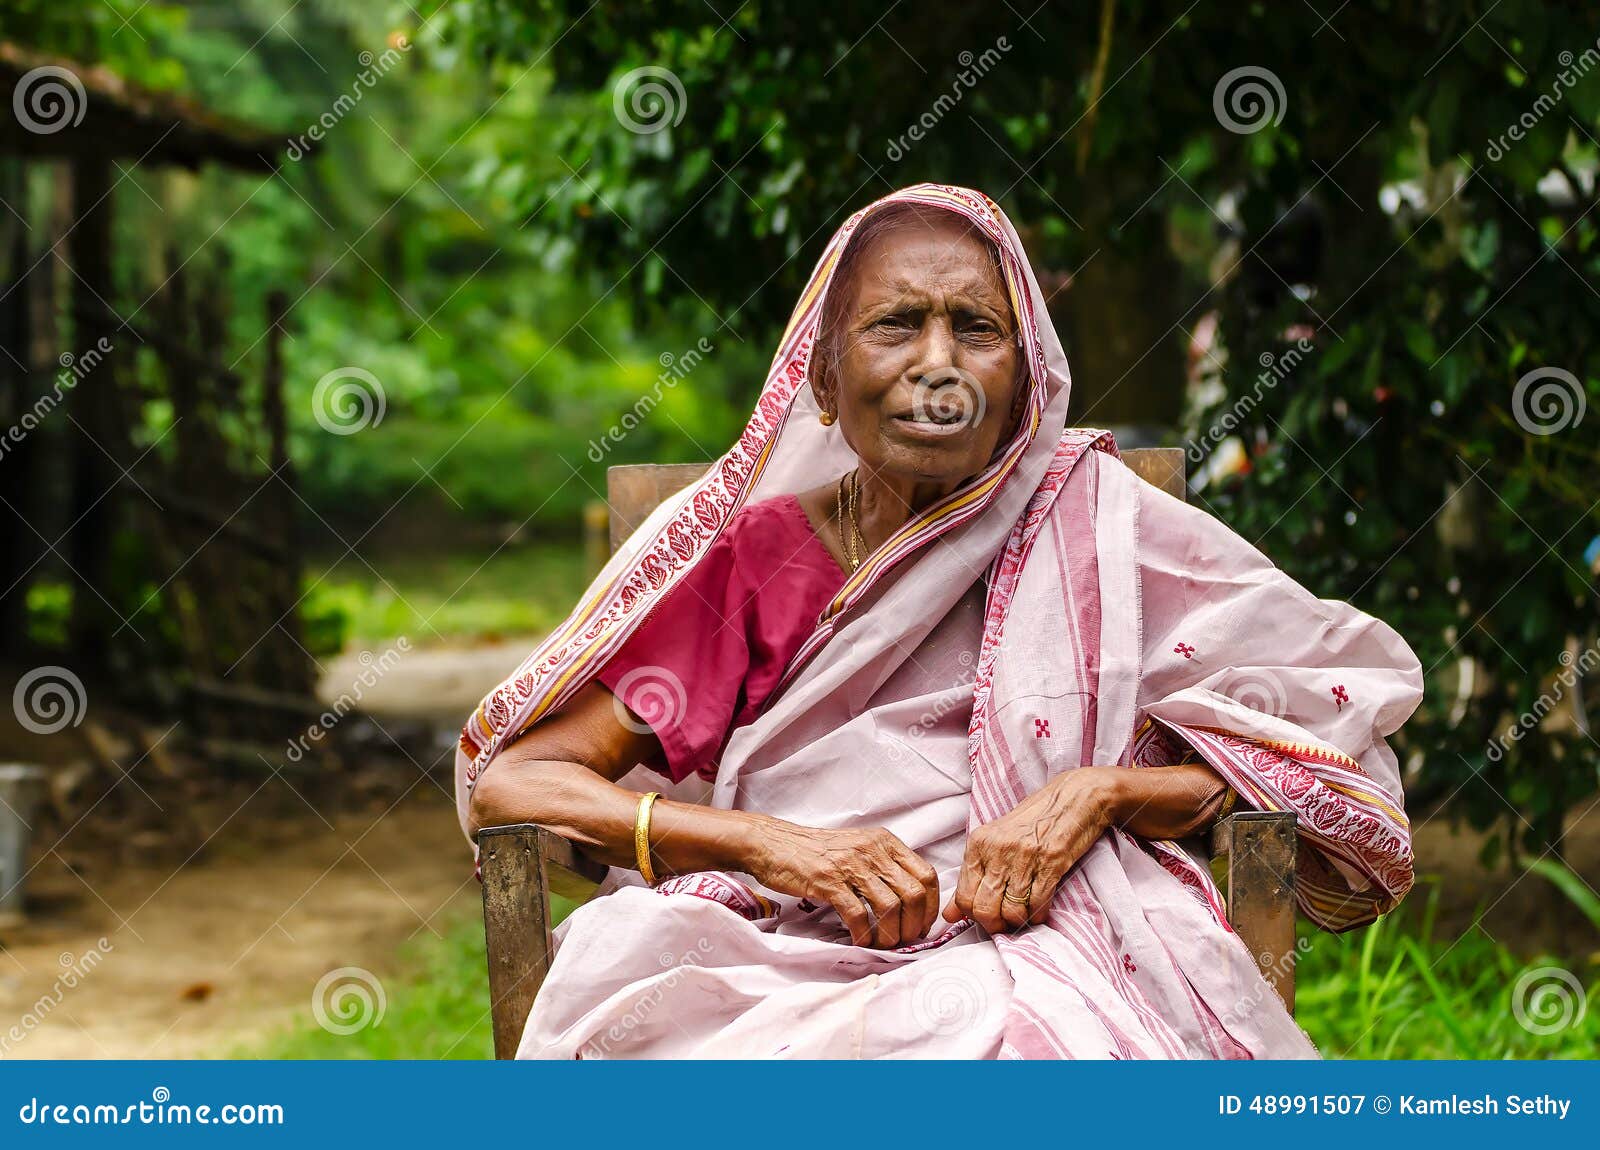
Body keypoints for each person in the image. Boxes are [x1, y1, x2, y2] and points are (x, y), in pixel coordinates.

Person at [456, 184, 1421, 1059]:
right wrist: (766, 845)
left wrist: (1099, 794)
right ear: (824, 383)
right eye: (894, 325)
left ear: (1027, 380)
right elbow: (518, 785)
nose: (937, 367)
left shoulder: (1104, 528)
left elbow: (1315, 720)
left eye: (976, 329)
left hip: (1049, 939)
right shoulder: (760, 559)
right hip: (781, 938)